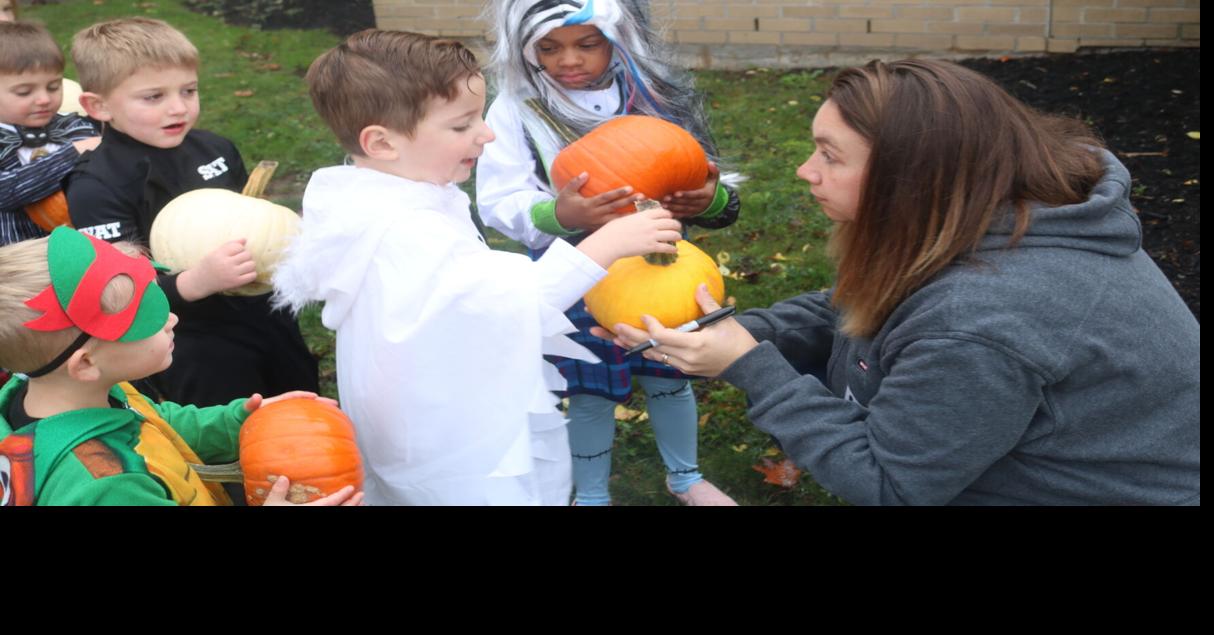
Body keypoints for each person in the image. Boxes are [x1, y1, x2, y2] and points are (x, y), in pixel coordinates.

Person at [600, 59, 1201, 505]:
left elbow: (891, 487)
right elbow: (866, 306)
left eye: (830, 156)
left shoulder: (987, 319)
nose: (804, 171)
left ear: (911, 178)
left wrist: (751, 364)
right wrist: (735, 333)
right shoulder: (981, 221)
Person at [272, 29, 680, 506]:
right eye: (462, 125)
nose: (485, 134)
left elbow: (467, 293)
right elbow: (511, 301)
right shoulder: (403, 230)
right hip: (452, 441)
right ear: (382, 143)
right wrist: (608, 243)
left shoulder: (391, 198)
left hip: (430, 403)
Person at [476, 0, 737, 506]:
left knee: (669, 376)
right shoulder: (515, 108)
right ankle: (592, 494)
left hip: (662, 265)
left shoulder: (650, 93)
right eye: (548, 48)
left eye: (586, 45)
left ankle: (685, 476)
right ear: (526, 48)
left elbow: (705, 177)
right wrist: (563, 214)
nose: (568, 60)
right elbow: (499, 202)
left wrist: (711, 198)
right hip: (574, 274)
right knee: (589, 391)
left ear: (617, 39)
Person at [0, 228, 360, 506]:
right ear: (86, 363)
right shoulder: (109, 485)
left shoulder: (83, 394)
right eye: (149, 319)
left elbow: (158, 425)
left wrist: (242, 422)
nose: (172, 318)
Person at [64, 16, 318, 408]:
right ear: (98, 106)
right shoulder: (97, 187)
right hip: (191, 338)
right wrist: (196, 281)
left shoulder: (215, 150)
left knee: (300, 402)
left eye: (189, 90)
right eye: (154, 97)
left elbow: (255, 223)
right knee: (229, 432)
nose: (178, 108)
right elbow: (116, 291)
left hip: (264, 310)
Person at [1, 21, 101, 246]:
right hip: (15, 261)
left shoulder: (74, 126)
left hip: (84, 245)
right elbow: (4, 192)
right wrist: (71, 155)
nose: (45, 99)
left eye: (54, 86)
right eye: (24, 91)